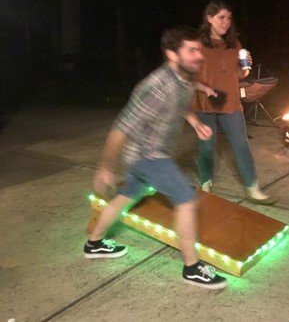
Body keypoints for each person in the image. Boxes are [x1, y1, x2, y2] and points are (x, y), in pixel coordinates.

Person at [83, 26, 227, 290]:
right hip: (147, 154)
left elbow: (183, 100)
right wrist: (104, 169)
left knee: (125, 197)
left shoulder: (183, 77)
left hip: (149, 153)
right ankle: (192, 268)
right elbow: (120, 129)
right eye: (192, 50)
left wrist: (194, 122)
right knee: (185, 197)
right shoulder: (155, 86)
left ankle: (94, 243)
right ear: (172, 54)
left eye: (200, 50)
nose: (199, 56)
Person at [193, 0, 278, 205]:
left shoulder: (234, 44)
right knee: (207, 148)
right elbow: (188, 75)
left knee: (241, 145)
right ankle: (205, 182)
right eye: (221, 17)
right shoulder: (198, 45)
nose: (226, 22)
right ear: (209, 18)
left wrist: (246, 65)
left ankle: (253, 188)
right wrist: (206, 89)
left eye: (229, 18)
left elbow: (240, 74)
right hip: (205, 105)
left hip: (231, 103)